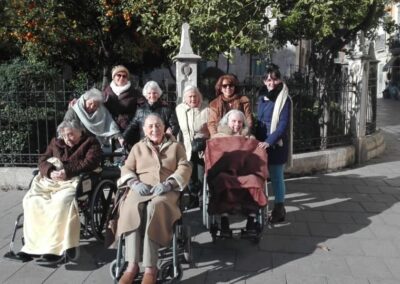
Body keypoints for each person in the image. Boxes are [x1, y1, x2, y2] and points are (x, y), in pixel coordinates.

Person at [116, 113, 192, 284]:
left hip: (166, 190)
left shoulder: (176, 146)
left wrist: (169, 183)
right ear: (144, 129)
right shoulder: (138, 147)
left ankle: (151, 267)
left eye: (158, 125)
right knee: (130, 208)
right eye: (150, 126)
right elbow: (127, 167)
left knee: (154, 207)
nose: (154, 129)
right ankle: (132, 265)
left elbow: (185, 167)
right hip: (141, 188)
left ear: (164, 127)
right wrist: (134, 183)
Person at [19, 120, 102, 263]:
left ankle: (55, 249)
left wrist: (67, 171)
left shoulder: (90, 142)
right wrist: (50, 172)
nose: (67, 139)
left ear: (80, 132)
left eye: (71, 135)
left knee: (60, 203)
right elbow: (43, 160)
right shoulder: (55, 143)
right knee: (32, 201)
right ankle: (32, 246)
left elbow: (91, 162)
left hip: (73, 181)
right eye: (64, 136)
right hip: (52, 181)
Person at [208, 109, 266, 236]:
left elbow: (255, 157)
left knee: (254, 180)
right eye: (233, 121)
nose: (236, 124)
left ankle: (251, 221)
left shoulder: (249, 138)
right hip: (225, 172)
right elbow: (214, 156)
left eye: (240, 122)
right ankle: (224, 221)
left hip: (245, 172)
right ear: (227, 122)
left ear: (243, 124)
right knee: (222, 180)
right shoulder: (218, 138)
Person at [256, 63, 293, 223]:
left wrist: (269, 142)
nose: (270, 82)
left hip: (275, 143)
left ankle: (279, 209)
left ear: (279, 80)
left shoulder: (284, 99)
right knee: (259, 176)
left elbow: (283, 125)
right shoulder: (262, 97)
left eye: (274, 79)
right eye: (267, 79)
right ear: (264, 81)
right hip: (260, 141)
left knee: (276, 177)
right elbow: (259, 120)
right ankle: (260, 206)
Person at [175, 85, 209, 207]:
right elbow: (178, 128)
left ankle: (201, 199)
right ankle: (192, 198)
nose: (193, 99)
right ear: (185, 98)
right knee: (189, 175)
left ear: (199, 96)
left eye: (195, 96)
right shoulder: (180, 109)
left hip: (201, 148)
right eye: (190, 96)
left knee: (200, 174)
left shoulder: (206, 109)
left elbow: (210, 130)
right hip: (187, 147)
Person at [123, 81, 179, 148]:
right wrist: (124, 138)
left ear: (158, 94)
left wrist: (169, 134)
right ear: (146, 96)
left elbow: (175, 126)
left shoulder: (166, 110)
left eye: (154, 93)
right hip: (145, 145)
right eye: (149, 93)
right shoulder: (140, 111)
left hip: (162, 145)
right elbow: (132, 126)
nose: (152, 96)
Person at [103, 65, 144, 131]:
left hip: (128, 129)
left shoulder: (134, 92)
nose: (121, 78)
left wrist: (129, 118)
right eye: (119, 75)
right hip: (109, 127)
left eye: (124, 76)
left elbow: (143, 107)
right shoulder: (106, 91)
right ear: (113, 77)